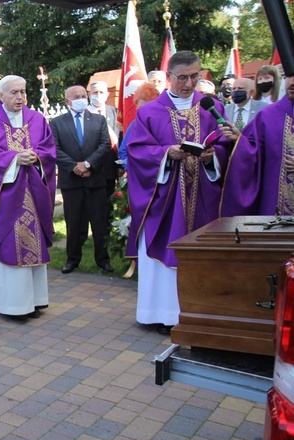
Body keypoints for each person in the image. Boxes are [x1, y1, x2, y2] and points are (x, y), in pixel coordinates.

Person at [126, 50, 230, 334]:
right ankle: (160, 313)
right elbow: (136, 152)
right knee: (166, 251)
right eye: (182, 77)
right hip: (166, 199)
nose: (189, 83)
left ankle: (198, 310)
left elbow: (225, 147)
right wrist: (166, 154)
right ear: (169, 77)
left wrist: (213, 158)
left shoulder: (213, 108)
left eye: (195, 76)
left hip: (204, 196)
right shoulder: (149, 112)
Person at [0, 75, 57, 319]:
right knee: (9, 247)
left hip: (34, 194)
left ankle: (36, 301)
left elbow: (49, 150)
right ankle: (13, 305)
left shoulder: (38, 120)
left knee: (34, 246)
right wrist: (12, 160)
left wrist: (38, 158)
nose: (20, 97)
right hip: (6, 201)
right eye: (13, 92)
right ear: (0, 96)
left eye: (23, 91)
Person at [51, 85, 113, 274]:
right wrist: (74, 167)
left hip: (95, 179)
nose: (81, 99)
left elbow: (104, 145)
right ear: (67, 101)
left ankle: (103, 260)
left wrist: (87, 165)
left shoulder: (98, 120)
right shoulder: (57, 123)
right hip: (71, 181)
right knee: (74, 222)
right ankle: (72, 259)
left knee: (99, 222)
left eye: (83, 96)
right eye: (76, 96)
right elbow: (54, 148)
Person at [220, 73, 294, 216]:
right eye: (289, 76)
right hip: (275, 211)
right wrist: (240, 141)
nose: (292, 82)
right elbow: (252, 153)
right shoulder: (268, 115)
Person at [87, 81, 121, 201]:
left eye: (101, 92)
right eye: (95, 92)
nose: (98, 95)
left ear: (107, 94)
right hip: (93, 168)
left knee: (111, 204)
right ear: (89, 94)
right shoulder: (84, 114)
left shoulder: (116, 112)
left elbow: (120, 136)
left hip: (112, 166)